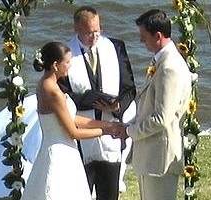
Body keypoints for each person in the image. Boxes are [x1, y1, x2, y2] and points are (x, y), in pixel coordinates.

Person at [21, 42, 123, 199]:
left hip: (53, 148)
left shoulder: (44, 83)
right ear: (56, 65)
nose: (70, 66)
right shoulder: (53, 91)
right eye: (67, 62)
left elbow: (70, 118)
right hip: (61, 153)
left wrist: (107, 124)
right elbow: (73, 132)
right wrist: (106, 131)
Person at [57, 6, 136, 200]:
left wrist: (116, 106)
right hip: (82, 134)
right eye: (88, 32)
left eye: (97, 31)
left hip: (112, 131)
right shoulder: (65, 55)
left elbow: (129, 88)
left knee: (109, 193)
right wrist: (92, 99)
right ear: (77, 29)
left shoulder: (115, 47)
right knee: (79, 192)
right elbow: (63, 96)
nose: (94, 36)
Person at [120, 9, 194, 200]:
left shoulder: (169, 68)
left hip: (160, 156)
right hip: (151, 155)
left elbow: (161, 118)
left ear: (158, 36)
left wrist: (130, 131)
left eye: (143, 37)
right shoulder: (162, 61)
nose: (141, 41)